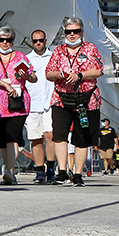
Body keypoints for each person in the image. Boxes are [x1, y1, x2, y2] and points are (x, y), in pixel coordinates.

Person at [46, 16, 103, 187]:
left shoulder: (91, 49)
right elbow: (49, 73)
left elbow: (98, 70)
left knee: (82, 138)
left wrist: (80, 76)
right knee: (59, 136)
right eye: (68, 31)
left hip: (87, 100)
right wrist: (60, 75)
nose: (72, 34)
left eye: (75, 31)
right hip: (61, 98)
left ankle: (78, 174)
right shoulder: (58, 50)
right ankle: (62, 171)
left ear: (82, 32)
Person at [0, 24, 36, 185]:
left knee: (13, 136)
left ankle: (10, 171)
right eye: (1, 40)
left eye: (8, 40)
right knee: (0, 140)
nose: (5, 43)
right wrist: (6, 85)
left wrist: (27, 75)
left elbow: (33, 77)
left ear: (13, 41)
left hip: (17, 104)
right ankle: (8, 168)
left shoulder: (20, 56)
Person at [25, 28, 57, 184]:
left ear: (46, 41)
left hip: (50, 102)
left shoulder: (54, 57)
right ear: (31, 42)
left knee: (50, 136)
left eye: (41, 40)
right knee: (35, 138)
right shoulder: (26, 59)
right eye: (35, 41)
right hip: (32, 103)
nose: (38, 43)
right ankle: (39, 170)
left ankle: (50, 168)